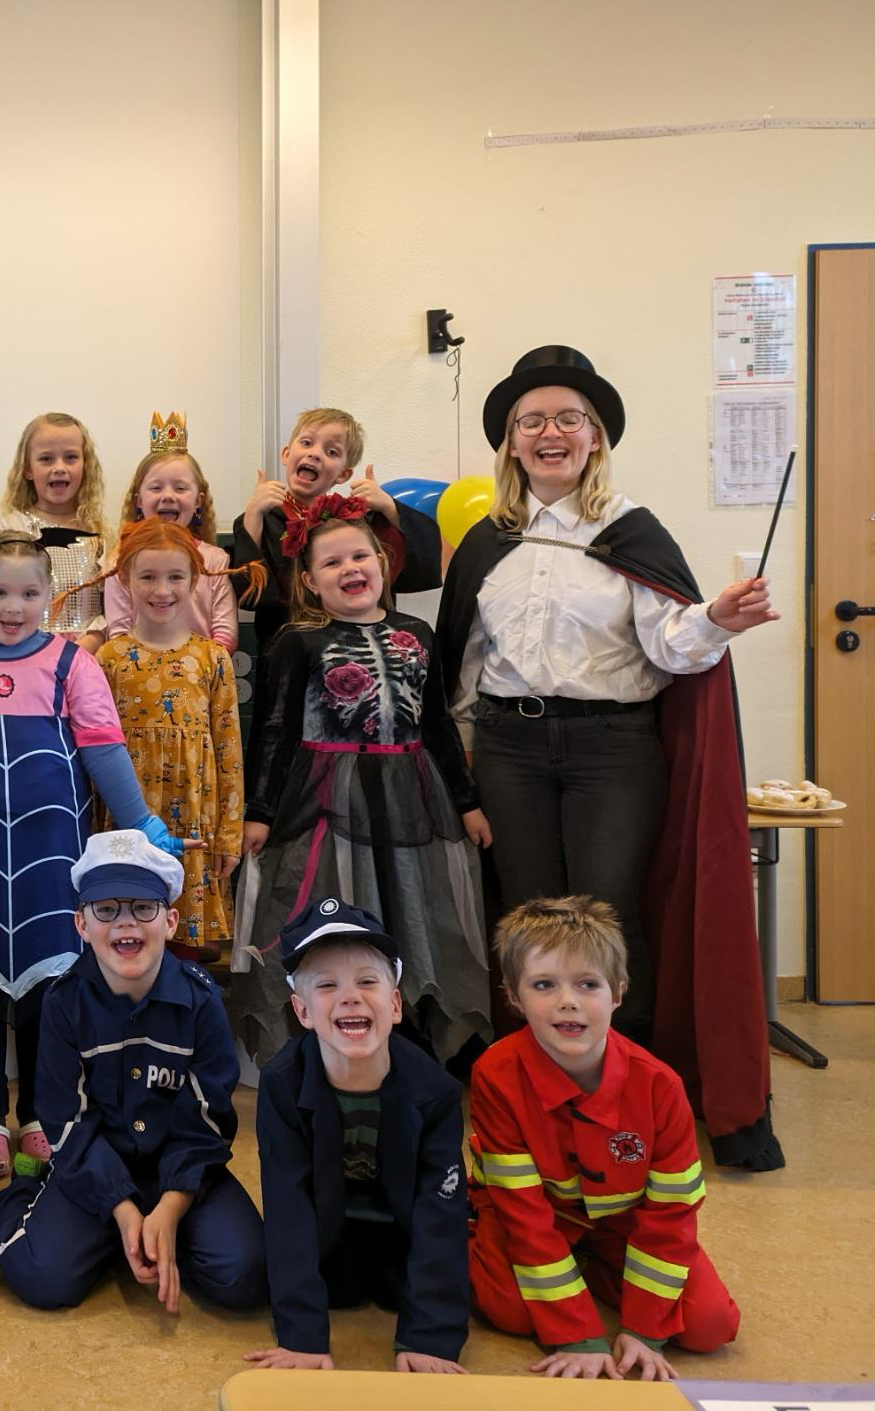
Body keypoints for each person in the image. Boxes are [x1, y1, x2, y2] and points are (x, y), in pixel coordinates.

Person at [435, 344, 782, 1170]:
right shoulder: (487, 541)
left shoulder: (630, 531)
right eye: (532, 421)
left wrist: (716, 619)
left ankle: (621, 1089)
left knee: (607, 917)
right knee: (527, 915)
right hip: (510, 747)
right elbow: (464, 662)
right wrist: (458, 765)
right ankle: (533, 1090)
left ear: (593, 436)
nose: (550, 432)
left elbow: (671, 644)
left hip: (612, 750)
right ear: (511, 442)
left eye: (569, 418)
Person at [0, 531, 180, 1181]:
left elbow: (103, 751)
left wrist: (142, 824)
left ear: (50, 596)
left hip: (53, 860)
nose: (13, 606)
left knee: (50, 990)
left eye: (29, 593)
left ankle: (38, 1114)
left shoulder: (73, 665)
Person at [231, 497, 491, 1069]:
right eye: (331, 563)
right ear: (309, 581)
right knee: (341, 901)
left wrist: (467, 802)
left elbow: (437, 722)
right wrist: (260, 811)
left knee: (411, 902)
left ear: (383, 563)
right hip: (327, 793)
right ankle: (327, 1035)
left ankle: (410, 1030)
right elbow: (275, 731)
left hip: (410, 789)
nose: (349, 569)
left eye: (359, 556)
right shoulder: (298, 641)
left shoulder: (417, 633)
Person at [0, 832, 265, 1314]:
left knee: (247, 1276)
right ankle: (30, 1192)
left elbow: (208, 1122)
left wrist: (171, 1209)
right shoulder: (63, 1003)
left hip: (182, 1170)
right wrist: (121, 1208)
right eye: (105, 910)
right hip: (92, 1167)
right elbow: (65, 1118)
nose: (126, 923)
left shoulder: (201, 1001)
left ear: (170, 921)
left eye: (143, 908)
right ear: (81, 924)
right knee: (42, 1278)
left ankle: (151, 1233)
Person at [469, 895, 740, 1380]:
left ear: (617, 993)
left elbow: (671, 1213)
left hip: (623, 1225)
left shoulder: (660, 1086)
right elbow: (523, 1214)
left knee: (710, 1325)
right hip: (533, 1214)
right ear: (514, 997)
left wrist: (644, 1329)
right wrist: (576, 1333)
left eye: (587, 984)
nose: (567, 1001)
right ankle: (479, 1243)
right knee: (508, 1310)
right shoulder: (495, 1075)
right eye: (544, 984)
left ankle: (590, 1267)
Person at [244, 900, 470, 1374]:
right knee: (300, 1282)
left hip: (400, 1229)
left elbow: (440, 1210)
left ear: (394, 1004)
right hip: (329, 1229)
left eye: (367, 982)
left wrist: (430, 1337)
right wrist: (303, 1338)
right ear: (303, 1011)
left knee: (423, 1287)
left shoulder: (435, 1091)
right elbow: (287, 1205)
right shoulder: (282, 1084)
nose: (350, 997)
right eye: (327, 986)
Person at [91, 518, 244, 955]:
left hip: (194, 821)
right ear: (125, 580)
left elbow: (229, 751)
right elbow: (93, 752)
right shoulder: (109, 658)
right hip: (126, 821)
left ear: (194, 581)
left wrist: (228, 837)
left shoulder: (212, 658)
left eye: (175, 577)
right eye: (148, 577)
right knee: (125, 934)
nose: (162, 590)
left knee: (185, 948)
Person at [233, 407, 444, 650]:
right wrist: (253, 515)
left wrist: (389, 507)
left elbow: (424, 564)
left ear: (343, 474)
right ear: (286, 454)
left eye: (331, 452)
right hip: (288, 650)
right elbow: (248, 595)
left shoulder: (356, 522)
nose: (315, 454)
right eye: (307, 442)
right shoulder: (262, 518)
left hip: (358, 647)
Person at [101, 429, 241, 650]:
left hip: (203, 668)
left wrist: (196, 663)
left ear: (198, 501)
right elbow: (119, 633)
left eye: (180, 488)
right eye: (156, 487)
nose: (167, 495)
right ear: (139, 500)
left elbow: (225, 632)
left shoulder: (216, 561)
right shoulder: (120, 562)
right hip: (137, 669)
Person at [0, 411, 109, 640]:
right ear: (28, 469)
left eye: (71, 457)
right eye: (46, 459)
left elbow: (112, 608)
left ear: (85, 465)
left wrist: (89, 645)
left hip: (88, 651)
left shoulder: (100, 534)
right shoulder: (13, 528)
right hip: (27, 649)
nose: (59, 467)